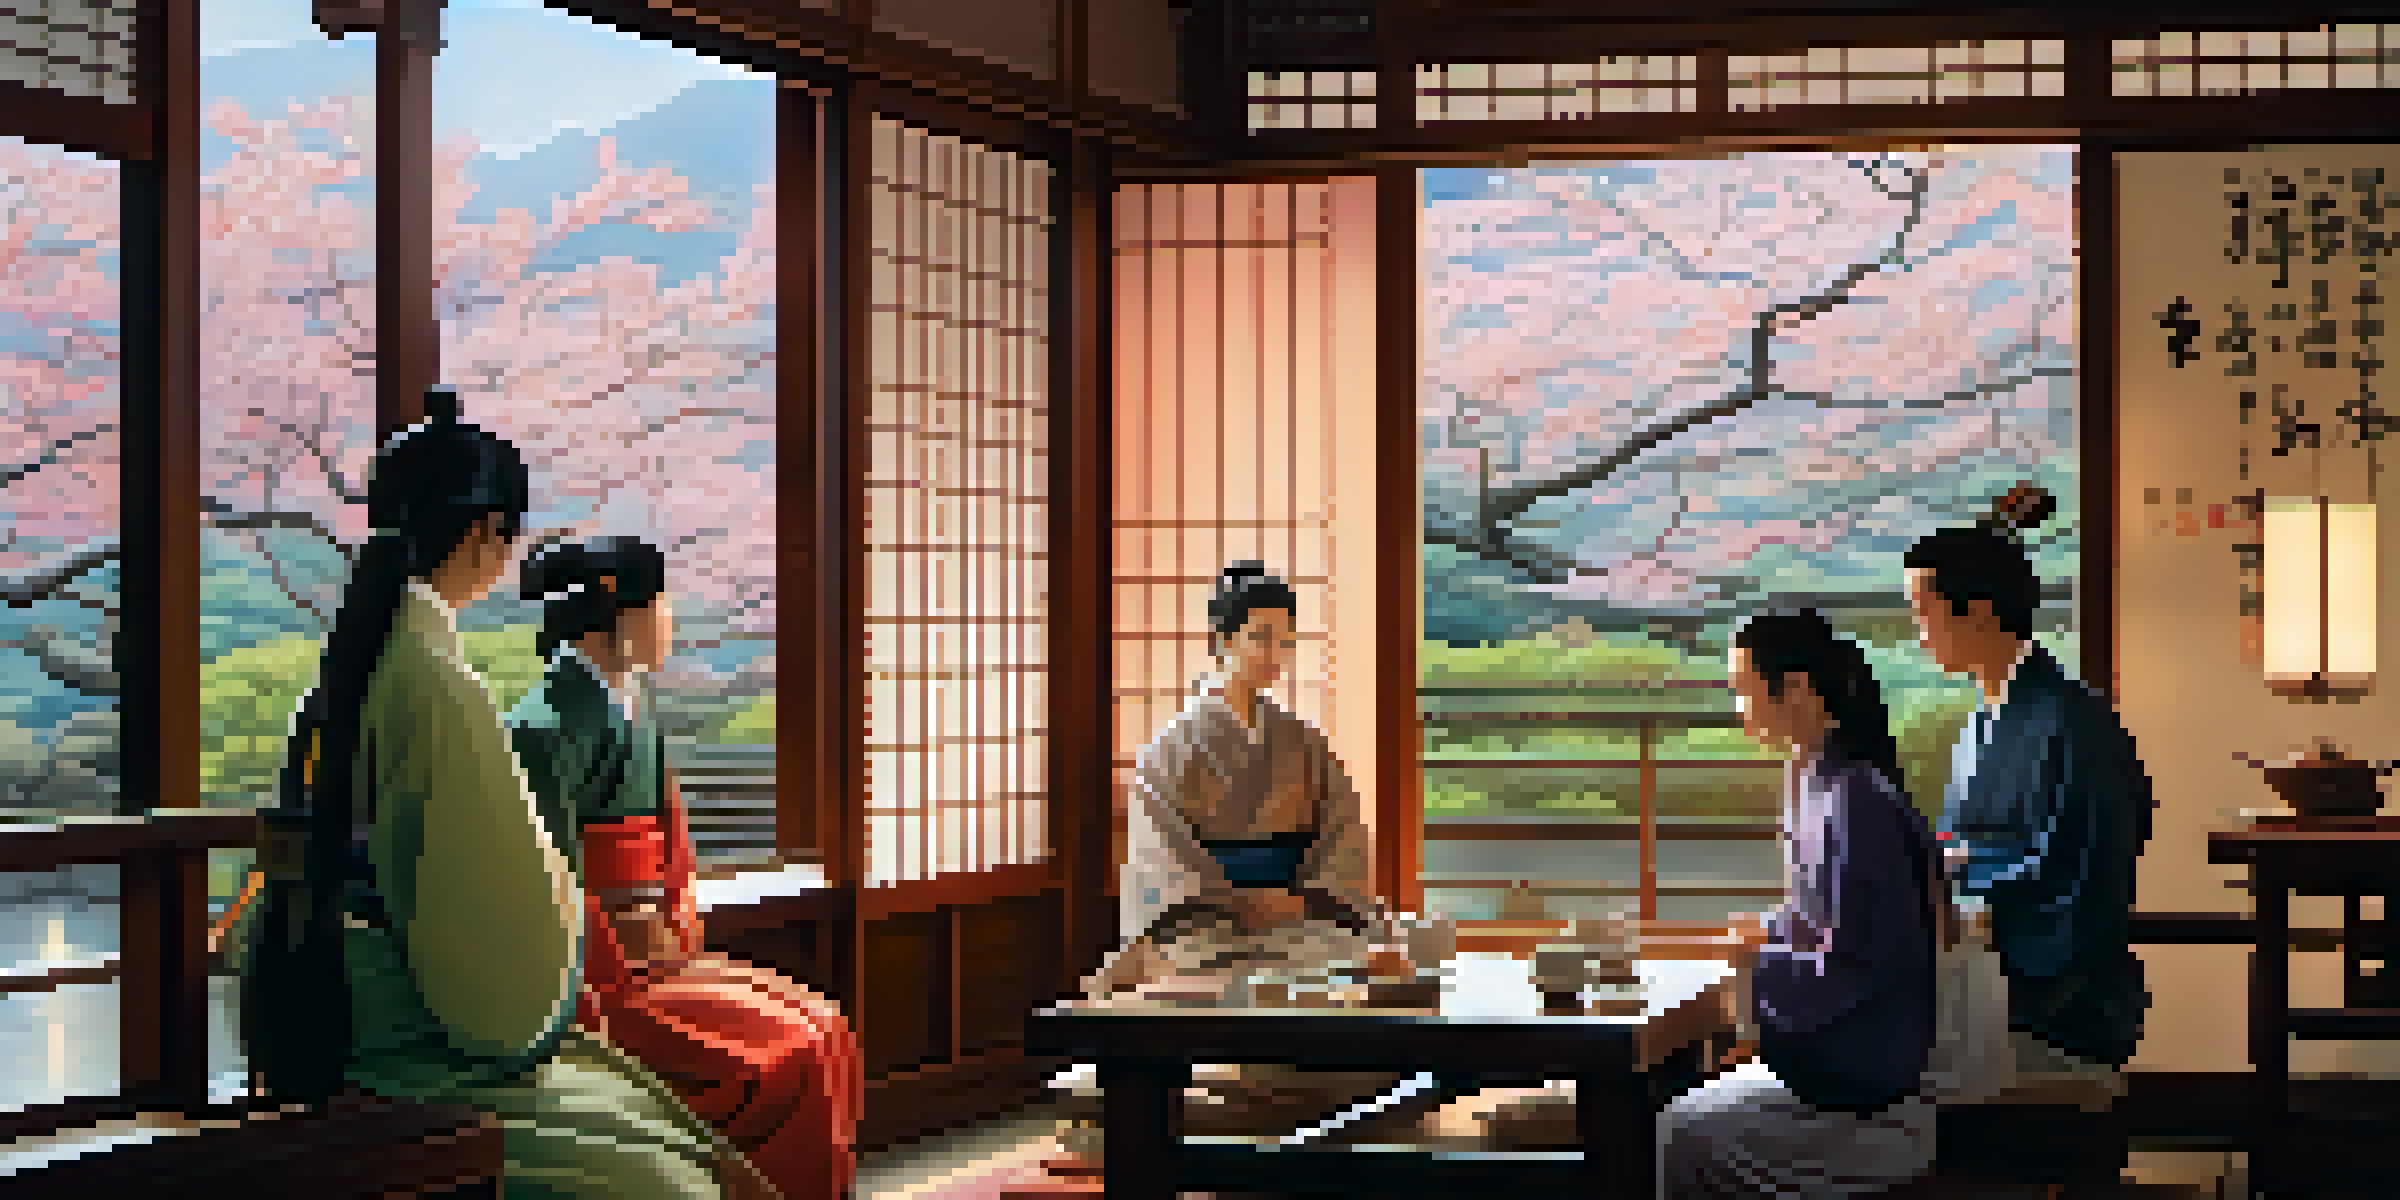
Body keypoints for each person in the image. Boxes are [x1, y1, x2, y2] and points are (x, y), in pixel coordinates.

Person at [270, 388, 772, 1200]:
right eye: (505, 540)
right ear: (478, 534)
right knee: (676, 1175)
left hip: (362, 998)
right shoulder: (433, 677)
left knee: (680, 1124)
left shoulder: (368, 658)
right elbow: (497, 945)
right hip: (415, 1034)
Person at [508, 536, 863, 1200]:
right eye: (660, 604)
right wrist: (602, 978)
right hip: (595, 977)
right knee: (791, 1052)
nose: (670, 618)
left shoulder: (631, 708)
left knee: (827, 1027)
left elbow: (670, 847)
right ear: (614, 619)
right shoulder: (541, 727)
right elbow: (548, 879)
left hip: (656, 954)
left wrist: (673, 932)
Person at [1056, 561, 1401, 1158]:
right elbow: (1164, 857)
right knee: (1213, 982)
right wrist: (1239, 900)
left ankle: (1285, 1092)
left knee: (1356, 974)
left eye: (1285, 641)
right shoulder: (1169, 748)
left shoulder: (1304, 741)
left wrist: (1297, 899)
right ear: (1223, 641)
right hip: (1206, 922)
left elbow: (1341, 836)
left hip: (1298, 916)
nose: (1275, 654)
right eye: (1260, 638)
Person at [1647, 609, 1948, 1195]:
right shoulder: (1812, 777)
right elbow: (1818, 917)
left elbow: (1859, 961)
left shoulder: (1855, 798)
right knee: (1673, 1108)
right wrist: (1768, 935)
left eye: (1743, 689)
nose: (1739, 708)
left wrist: (1757, 969)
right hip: (1836, 1052)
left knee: (1680, 1130)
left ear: (1796, 689)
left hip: (1867, 1072)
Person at [1905, 483, 2155, 1105]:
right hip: (1982, 973)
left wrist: (1971, 897)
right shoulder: (1978, 726)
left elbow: (2083, 877)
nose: (1919, 634)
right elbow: (1957, 846)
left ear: (1980, 611)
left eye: (1924, 611)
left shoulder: (2076, 723)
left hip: (2054, 998)